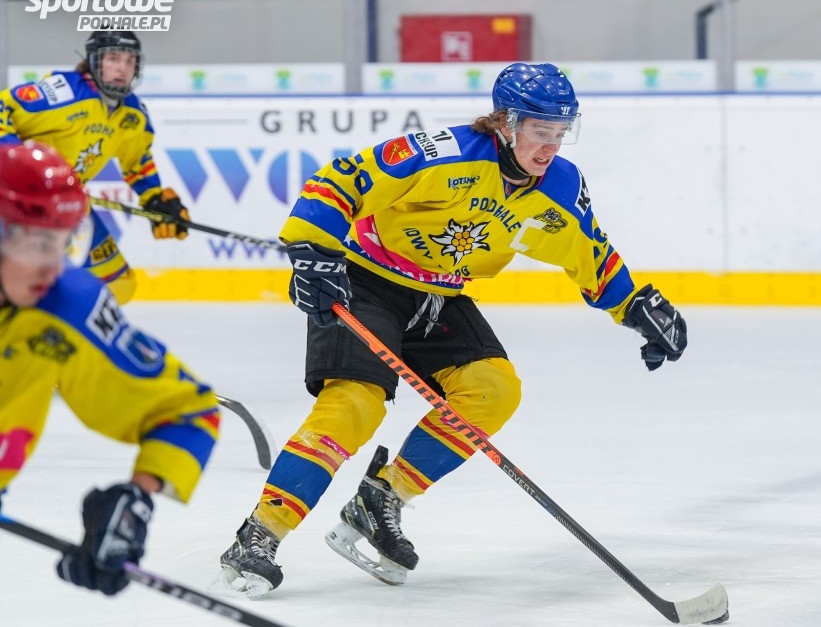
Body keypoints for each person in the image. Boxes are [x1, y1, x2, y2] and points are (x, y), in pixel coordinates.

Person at [217, 62, 687, 596]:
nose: (550, 147)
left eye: (561, 132)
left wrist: (635, 306)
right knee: (354, 404)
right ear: (505, 122)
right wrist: (314, 249)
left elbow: (589, 251)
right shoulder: (444, 153)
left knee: (493, 390)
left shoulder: (559, 186)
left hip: (440, 296)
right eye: (540, 131)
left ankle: (382, 498)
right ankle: (260, 534)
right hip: (366, 282)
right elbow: (342, 179)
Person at [0, 141, 220, 597]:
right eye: (39, 243)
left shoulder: (66, 308)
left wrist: (135, 501)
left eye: (63, 243)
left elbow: (188, 412)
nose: (52, 267)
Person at [0, 30, 190, 304]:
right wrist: (15, 161)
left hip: (66, 207)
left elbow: (137, 161)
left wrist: (155, 199)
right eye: (113, 59)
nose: (122, 68)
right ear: (94, 61)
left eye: (129, 61)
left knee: (119, 285)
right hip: (14, 205)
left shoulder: (133, 115)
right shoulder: (64, 93)